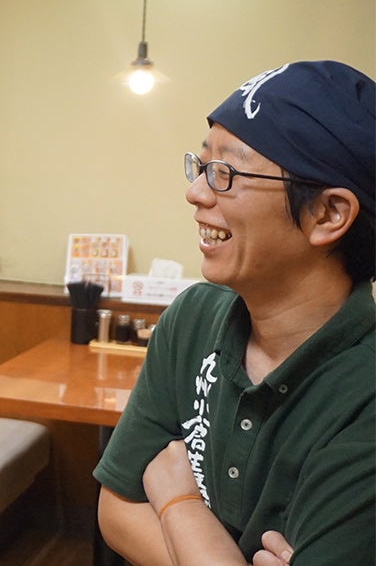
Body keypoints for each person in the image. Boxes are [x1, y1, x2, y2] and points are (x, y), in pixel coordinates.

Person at [94, 60, 375, 564]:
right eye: (201, 166)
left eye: (226, 173)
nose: (196, 191)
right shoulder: (194, 318)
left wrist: (179, 502)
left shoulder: (364, 394)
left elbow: (152, 495)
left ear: (329, 214)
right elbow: (116, 510)